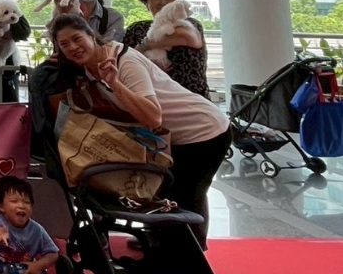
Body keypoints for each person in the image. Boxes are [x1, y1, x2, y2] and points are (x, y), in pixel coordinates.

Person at [49, 14, 230, 250]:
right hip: (178, 135)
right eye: (64, 44)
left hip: (204, 130)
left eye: (77, 39)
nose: (73, 47)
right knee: (168, 194)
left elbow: (153, 117)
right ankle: (163, 243)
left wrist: (115, 84)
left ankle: (188, 256)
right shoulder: (88, 68)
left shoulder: (124, 62)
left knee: (186, 195)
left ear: (91, 35)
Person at [123, 0, 208, 98]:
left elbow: (189, 38)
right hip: (152, 97)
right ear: (146, 3)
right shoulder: (136, 28)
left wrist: (145, 45)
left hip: (191, 95)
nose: (163, 2)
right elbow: (126, 59)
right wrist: (149, 65)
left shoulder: (190, 23)